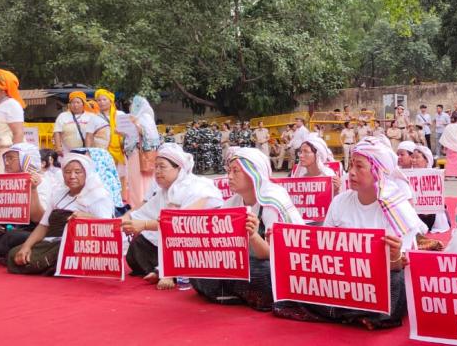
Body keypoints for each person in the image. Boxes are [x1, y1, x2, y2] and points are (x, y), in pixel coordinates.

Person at [272, 137, 427, 329]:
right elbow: (324, 248)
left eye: (359, 166)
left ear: (377, 171)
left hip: (376, 279)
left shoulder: (398, 209)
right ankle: (356, 313)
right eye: (351, 165)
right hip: (342, 277)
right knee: (295, 278)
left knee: (396, 283)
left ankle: (338, 310)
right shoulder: (340, 201)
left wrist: (394, 257)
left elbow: (397, 267)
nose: (351, 172)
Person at [191, 148, 304, 309]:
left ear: (253, 174)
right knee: (200, 268)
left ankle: (235, 292)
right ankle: (241, 292)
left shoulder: (272, 201)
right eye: (229, 171)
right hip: (246, 263)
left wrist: (253, 236)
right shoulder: (232, 203)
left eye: (236, 171)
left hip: (276, 263)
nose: (229, 176)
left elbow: (276, 254)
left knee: (263, 273)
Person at [122, 143, 224, 290]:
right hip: (173, 243)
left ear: (179, 169)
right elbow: (138, 215)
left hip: (198, 244)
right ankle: (161, 269)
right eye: (156, 167)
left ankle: (169, 271)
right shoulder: (165, 191)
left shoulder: (198, 187)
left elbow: (181, 223)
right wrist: (116, 224)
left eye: (162, 167)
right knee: (138, 246)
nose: (157, 171)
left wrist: (144, 225)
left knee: (181, 242)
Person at [8, 153, 115, 275]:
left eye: (78, 172)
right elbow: (43, 225)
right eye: (67, 172)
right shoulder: (58, 194)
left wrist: (88, 218)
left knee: (50, 258)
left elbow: (110, 228)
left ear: (87, 173)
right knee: (14, 254)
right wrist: (26, 246)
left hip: (82, 246)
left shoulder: (98, 196)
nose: (72, 176)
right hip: (53, 242)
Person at [0, 144, 50, 263]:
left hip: (28, 232)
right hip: (2, 232)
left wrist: (33, 190)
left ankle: (0, 253)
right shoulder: (3, 181)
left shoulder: (41, 182)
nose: (7, 163)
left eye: (11, 158)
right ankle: (1, 253)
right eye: (6, 159)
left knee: (14, 237)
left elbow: (39, 218)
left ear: (26, 159)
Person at [125, 96, 162, 209]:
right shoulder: (135, 117)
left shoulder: (144, 117)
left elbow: (148, 134)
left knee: (140, 181)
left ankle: (140, 206)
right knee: (137, 181)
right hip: (134, 153)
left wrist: (136, 123)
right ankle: (138, 205)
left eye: (132, 104)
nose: (130, 107)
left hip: (140, 154)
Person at [53, 91, 98, 156]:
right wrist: (58, 147)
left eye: (78, 102)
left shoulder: (91, 116)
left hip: (87, 152)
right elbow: (57, 132)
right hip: (67, 152)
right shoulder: (62, 116)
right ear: (69, 104)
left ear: (83, 104)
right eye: (73, 102)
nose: (75, 105)